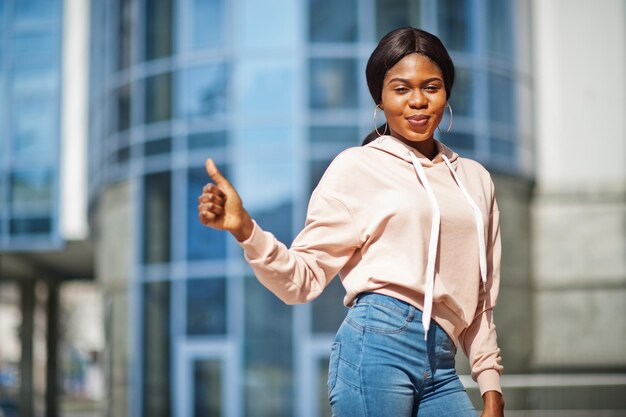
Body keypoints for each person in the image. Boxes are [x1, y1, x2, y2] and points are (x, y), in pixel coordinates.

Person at [198, 27, 505, 417]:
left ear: (447, 93)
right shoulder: (357, 167)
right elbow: (302, 279)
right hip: (376, 347)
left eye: (431, 87)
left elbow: (481, 301)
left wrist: (491, 387)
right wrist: (245, 230)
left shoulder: (476, 179)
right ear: (380, 98)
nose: (417, 102)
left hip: (444, 363)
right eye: (401, 89)